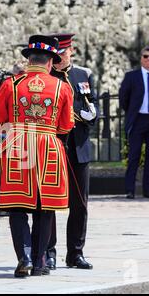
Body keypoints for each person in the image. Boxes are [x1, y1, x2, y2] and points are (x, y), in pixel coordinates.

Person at [0, 34, 74, 277]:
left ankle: (23, 259)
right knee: (44, 208)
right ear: (49, 62)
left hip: (18, 146)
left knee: (17, 207)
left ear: (29, 60)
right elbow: (66, 125)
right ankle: (39, 263)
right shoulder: (62, 87)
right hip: (48, 147)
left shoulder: (11, 84)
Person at [46, 33, 98, 270]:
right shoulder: (46, 77)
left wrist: (92, 115)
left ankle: (75, 253)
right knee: (50, 201)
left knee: (80, 203)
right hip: (55, 145)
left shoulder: (82, 75)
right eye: (55, 55)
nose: (58, 58)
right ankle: (49, 251)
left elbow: (91, 104)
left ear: (71, 51)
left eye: (63, 53)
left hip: (79, 147)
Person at [119, 45, 149, 199]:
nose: (147, 59)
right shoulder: (131, 76)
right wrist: (131, 113)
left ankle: (148, 190)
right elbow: (123, 98)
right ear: (141, 58)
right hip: (138, 120)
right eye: (145, 56)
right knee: (134, 156)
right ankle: (130, 189)